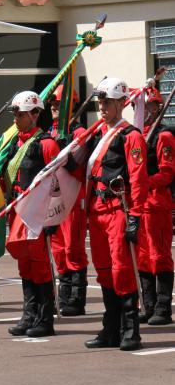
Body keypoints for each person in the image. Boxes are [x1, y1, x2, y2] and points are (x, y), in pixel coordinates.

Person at [83, 77, 148, 351]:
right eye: (100, 101)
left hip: (118, 210)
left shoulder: (130, 136)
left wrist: (134, 216)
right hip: (98, 212)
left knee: (122, 270)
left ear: (123, 103)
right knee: (104, 270)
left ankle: (131, 330)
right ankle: (110, 328)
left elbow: (138, 179)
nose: (102, 106)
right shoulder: (97, 134)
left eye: (108, 101)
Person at [3, 91, 61, 338]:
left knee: (39, 265)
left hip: (36, 213)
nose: (15, 118)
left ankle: (45, 318)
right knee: (24, 264)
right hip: (18, 210)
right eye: (15, 113)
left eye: (20, 113)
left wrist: (51, 218)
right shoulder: (15, 142)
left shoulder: (46, 143)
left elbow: (57, 183)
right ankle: (29, 313)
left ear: (35, 115)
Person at [46, 85, 90, 316]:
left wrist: (65, 151)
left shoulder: (79, 133)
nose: (54, 106)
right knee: (58, 248)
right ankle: (63, 293)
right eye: (52, 103)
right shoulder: (51, 132)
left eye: (59, 103)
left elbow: (79, 169)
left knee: (73, 247)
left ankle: (76, 298)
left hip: (73, 197)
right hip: (54, 197)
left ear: (71, 105)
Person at [135, 87, 174, 325]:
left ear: (156, 107)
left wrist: (143, 183)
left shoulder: (163, 136)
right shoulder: (137, 134)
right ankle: (147, 306)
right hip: (138, 205)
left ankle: (162, 308)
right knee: (142, 258)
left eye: (147, 107)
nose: (142, 111)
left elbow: (167, 172)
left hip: (156, 203)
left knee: (159, 256)